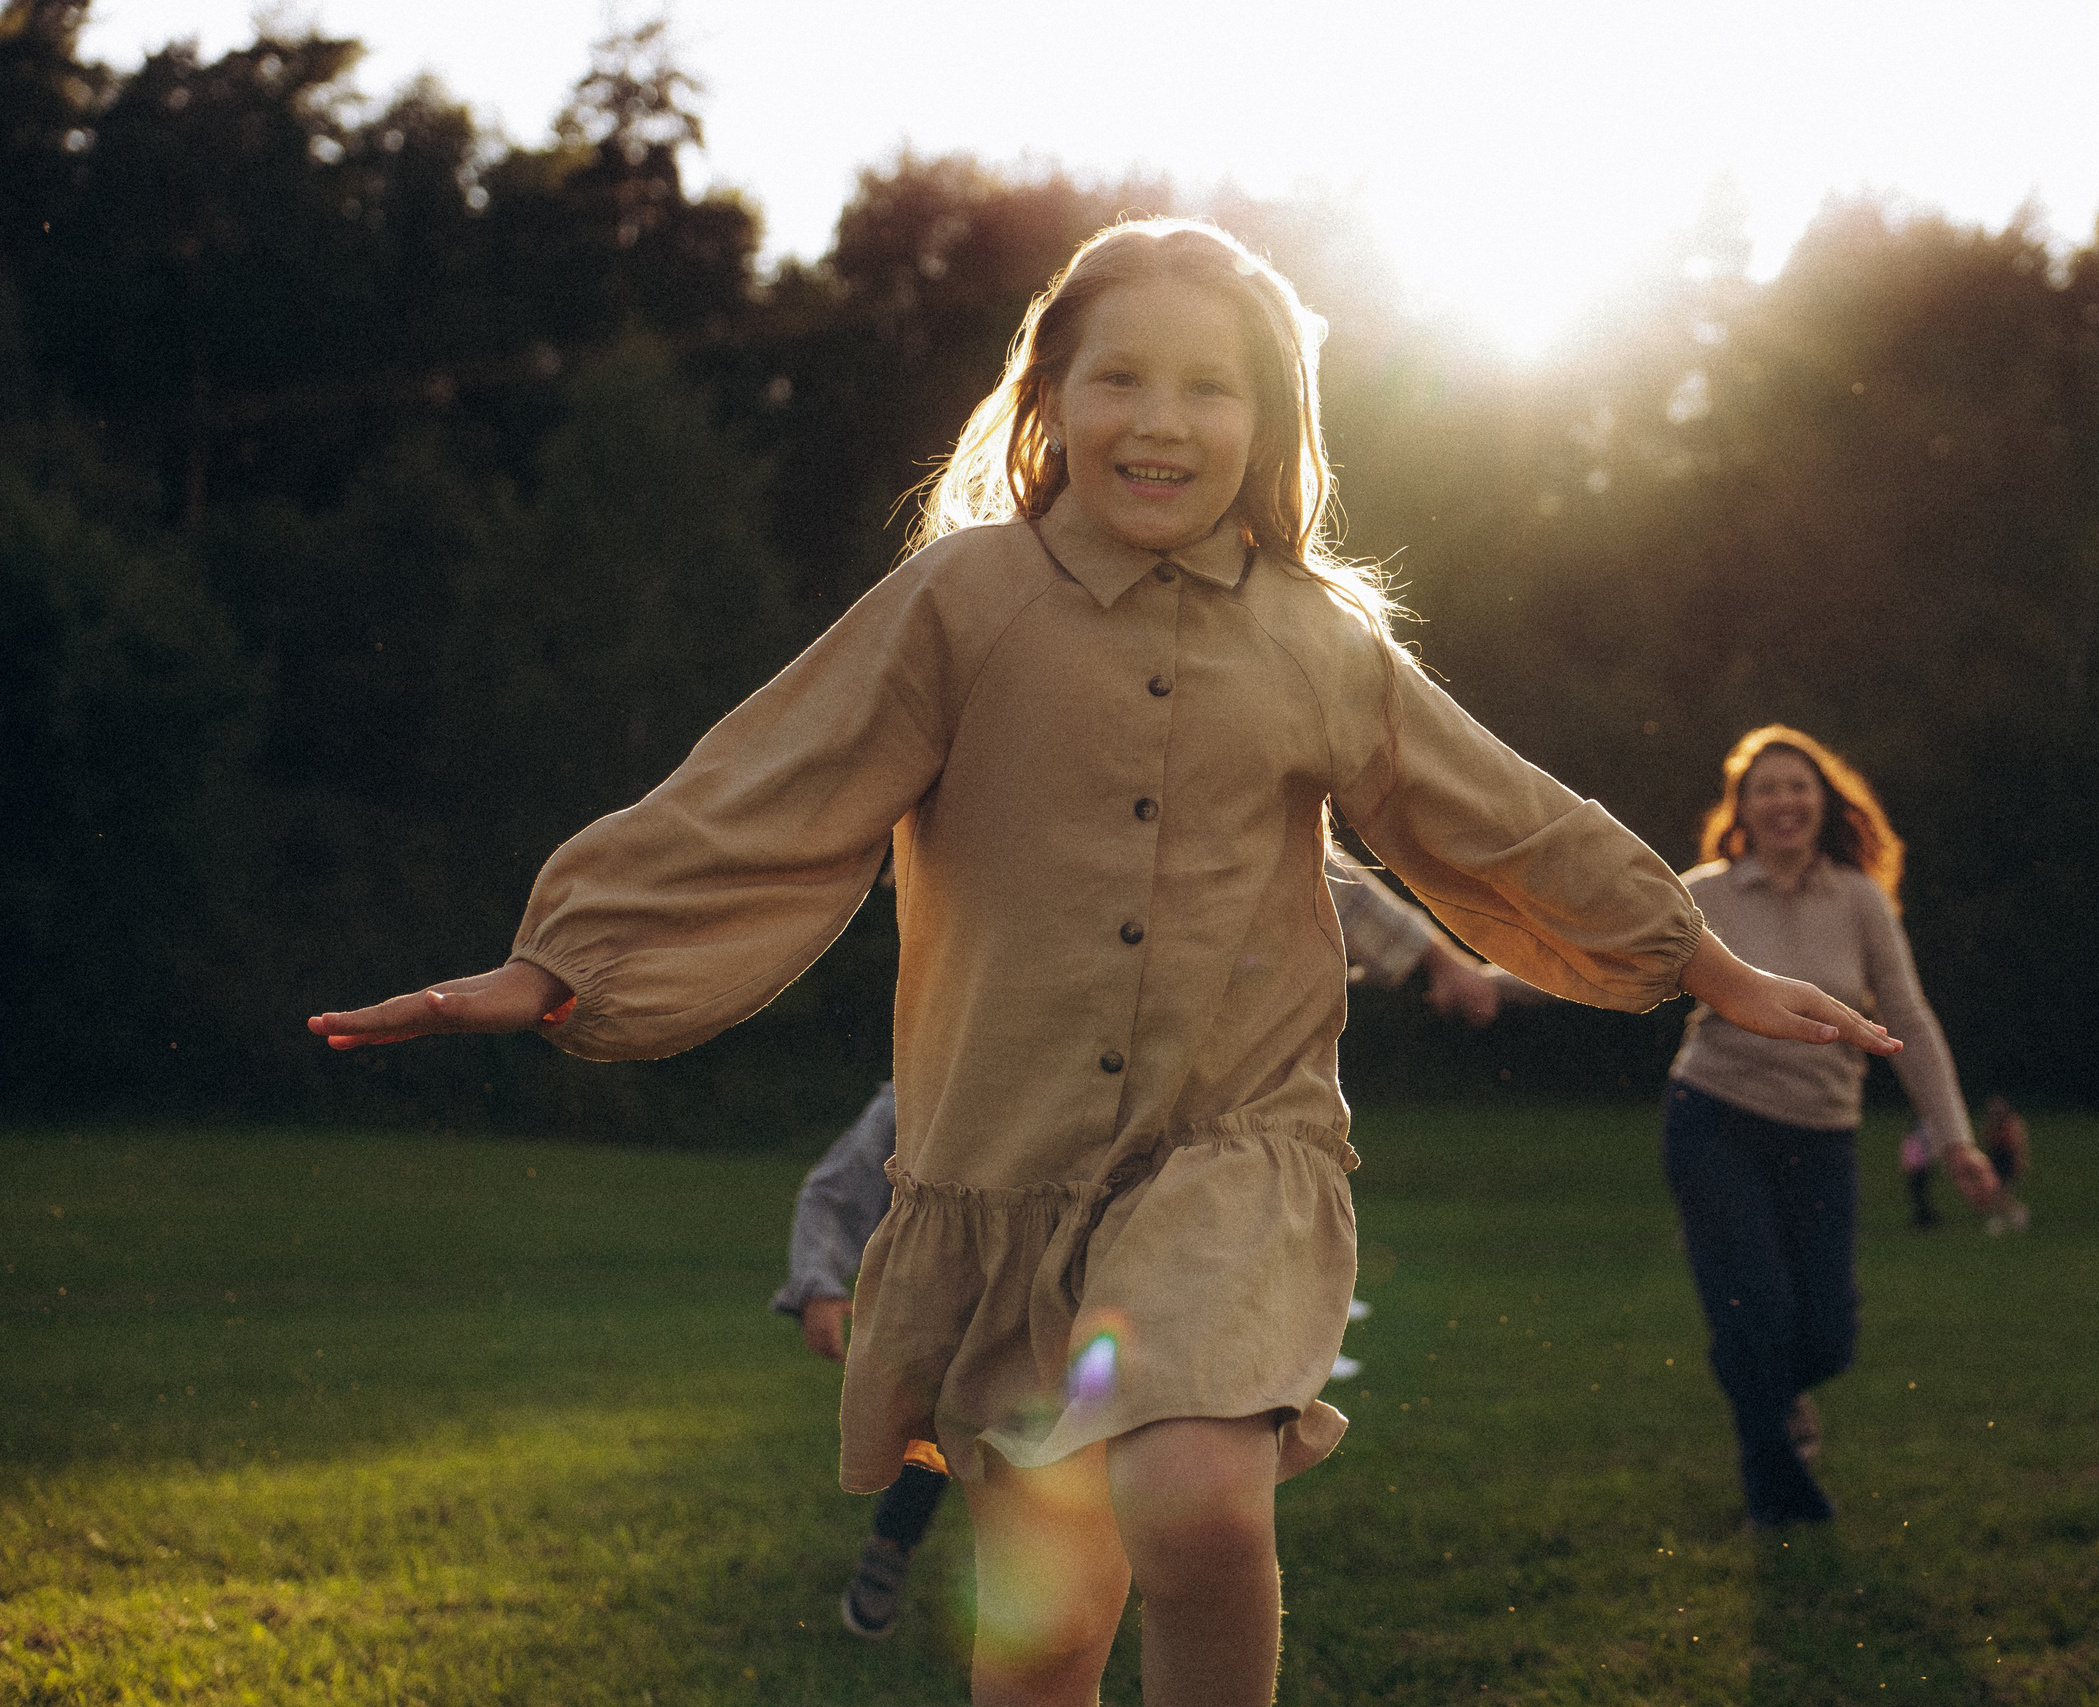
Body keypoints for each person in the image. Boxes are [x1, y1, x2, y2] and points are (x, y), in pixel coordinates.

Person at [308, 219, 1894, 1705]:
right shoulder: (963, 602)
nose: (1165, 417)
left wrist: (1702, 960)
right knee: (1046, 1636)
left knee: (1195, 1485)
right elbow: (769, 790)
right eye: (1123, 374)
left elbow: (1498, 817)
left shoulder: (1319, 639)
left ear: (1270, 423)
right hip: (1007, 1179)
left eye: (1214, 386)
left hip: (1236, 1150)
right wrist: (557, 961)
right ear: (1051, 395)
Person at [776, 854, 1500, 1641]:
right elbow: (838, 1189)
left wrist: (1436, 957)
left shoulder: (1164, 852)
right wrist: (819, 1281)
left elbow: (1279, 852)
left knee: (1100, 1445)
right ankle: (905, 1549)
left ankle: (1084, 1581)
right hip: (992, 1297)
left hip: (1126, 1280)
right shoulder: (929, 1089)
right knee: (957, 1441)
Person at [1661, 724, 1999, 1528]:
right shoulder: (1703, 893)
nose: (1785, 799)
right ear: (1741, 808)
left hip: (1822, 1133)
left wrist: (1954, 1140)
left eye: (1799, 784)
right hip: (1715, 1120)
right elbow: (1606, 953)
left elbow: (1908, 1015)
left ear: (1824, 801)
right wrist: (1486, 982)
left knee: (1825, 1336)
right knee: (1762, 1317)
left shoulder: (1859, 898)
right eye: (1767, 787)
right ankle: (1781, 1499)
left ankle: (1754, 1370)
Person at [1978, 1095, 2031, 1233]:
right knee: (1996, 1191)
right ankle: (2011, 1216)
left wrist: (2019, 1161)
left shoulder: (2012, 1123)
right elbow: (1988, 1143)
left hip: (2007, 1159)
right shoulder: (1991, 1125)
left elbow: (2017, 1145)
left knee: (2000, 1191)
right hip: (1995, 1159)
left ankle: (2015, 1214)